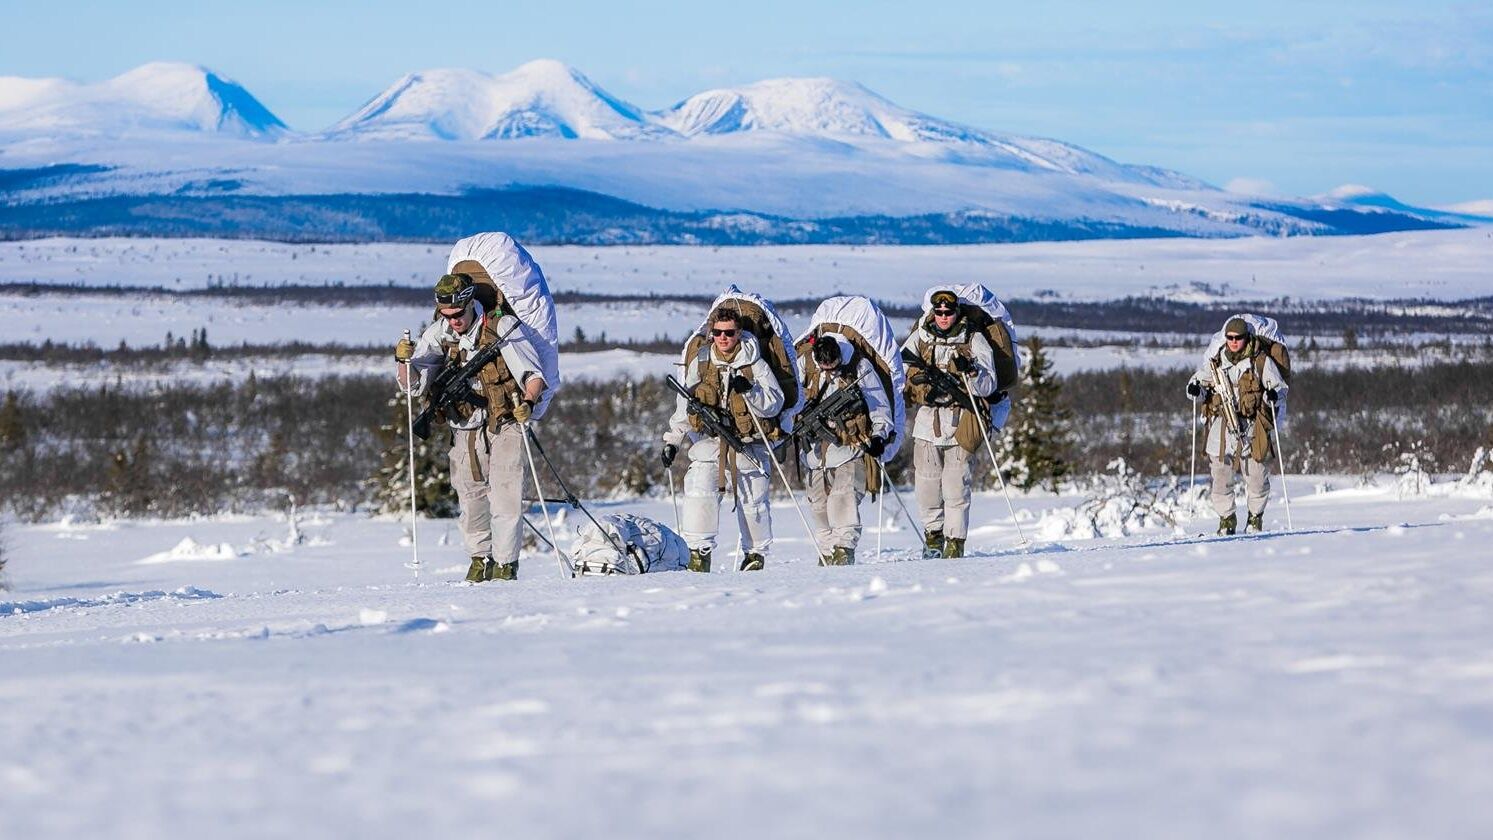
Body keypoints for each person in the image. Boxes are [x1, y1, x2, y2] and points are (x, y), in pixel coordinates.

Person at [395, 273, 548, 582]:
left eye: (457, 315)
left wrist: (528, 403)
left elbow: (534, 375)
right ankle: (479, 560)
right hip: (464, 423)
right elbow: (413, 386)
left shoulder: (501, 329)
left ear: (469, 304)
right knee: (469, 495)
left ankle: (505, 566)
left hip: (505, 420)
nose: (453, 321)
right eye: (447, 316)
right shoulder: (440, 334)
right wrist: (403, 362)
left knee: (506, 492)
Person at [661, 306, 784, 572]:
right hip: (712, 440)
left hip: (750, 441)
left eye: (729, 332)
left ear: (739, 333)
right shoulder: (702, 361)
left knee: (754, 501)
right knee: (699, 489)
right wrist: (673, 441)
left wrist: (750, 392)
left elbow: (775, 403)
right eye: (717, 332)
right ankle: (698, 554)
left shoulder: (755, 363)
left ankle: (754, 556)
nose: (723, 338)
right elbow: (685, 404)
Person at [901, 288, 998, 559]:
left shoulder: (973, 337)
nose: (944, 317)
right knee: (926, 484)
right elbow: (901, 367)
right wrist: (920, 383)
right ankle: (933, 538)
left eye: (949, 312)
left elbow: (990, 382)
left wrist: (972, 372)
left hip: (961, 418)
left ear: (957, 312)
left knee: (956, 485)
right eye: (939, 312)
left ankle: (955, 542)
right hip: (928, 420)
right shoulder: (921, 336)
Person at [796, 333, 894, 565]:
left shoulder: (859, 367)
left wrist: (879, 436)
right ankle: (827, 552)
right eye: (825, 367)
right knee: (818, 505)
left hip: (850, 446)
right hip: (814, 453)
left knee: (844, 497)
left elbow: (878, 404)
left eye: (833, 366)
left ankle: (843, 550)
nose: (829, 371)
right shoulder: (805, 365)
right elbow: (792, 398)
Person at [1186, 316, 1289, 534]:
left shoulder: (1260, 361)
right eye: (1230, 338)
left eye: (1238, 338)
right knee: (1221, 475)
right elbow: (1199, 382)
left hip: (1252, 425)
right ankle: (1226, 521)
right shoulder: (1217, 362)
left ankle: (1255, 518)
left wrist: (1272, 394)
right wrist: (1195, 390)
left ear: (1246, 337)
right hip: (1222, 427)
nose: (1233, 342)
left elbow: (1279, 387)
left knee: (1257, 476)